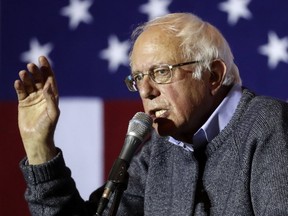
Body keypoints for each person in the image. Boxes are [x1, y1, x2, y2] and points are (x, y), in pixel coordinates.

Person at [15, 12, 288, 216]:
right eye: (137, 78)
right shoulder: (158, 151)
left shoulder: (269, 125)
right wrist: (40, 149)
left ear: (213, 76)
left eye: (161, 72)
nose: (145, 91)